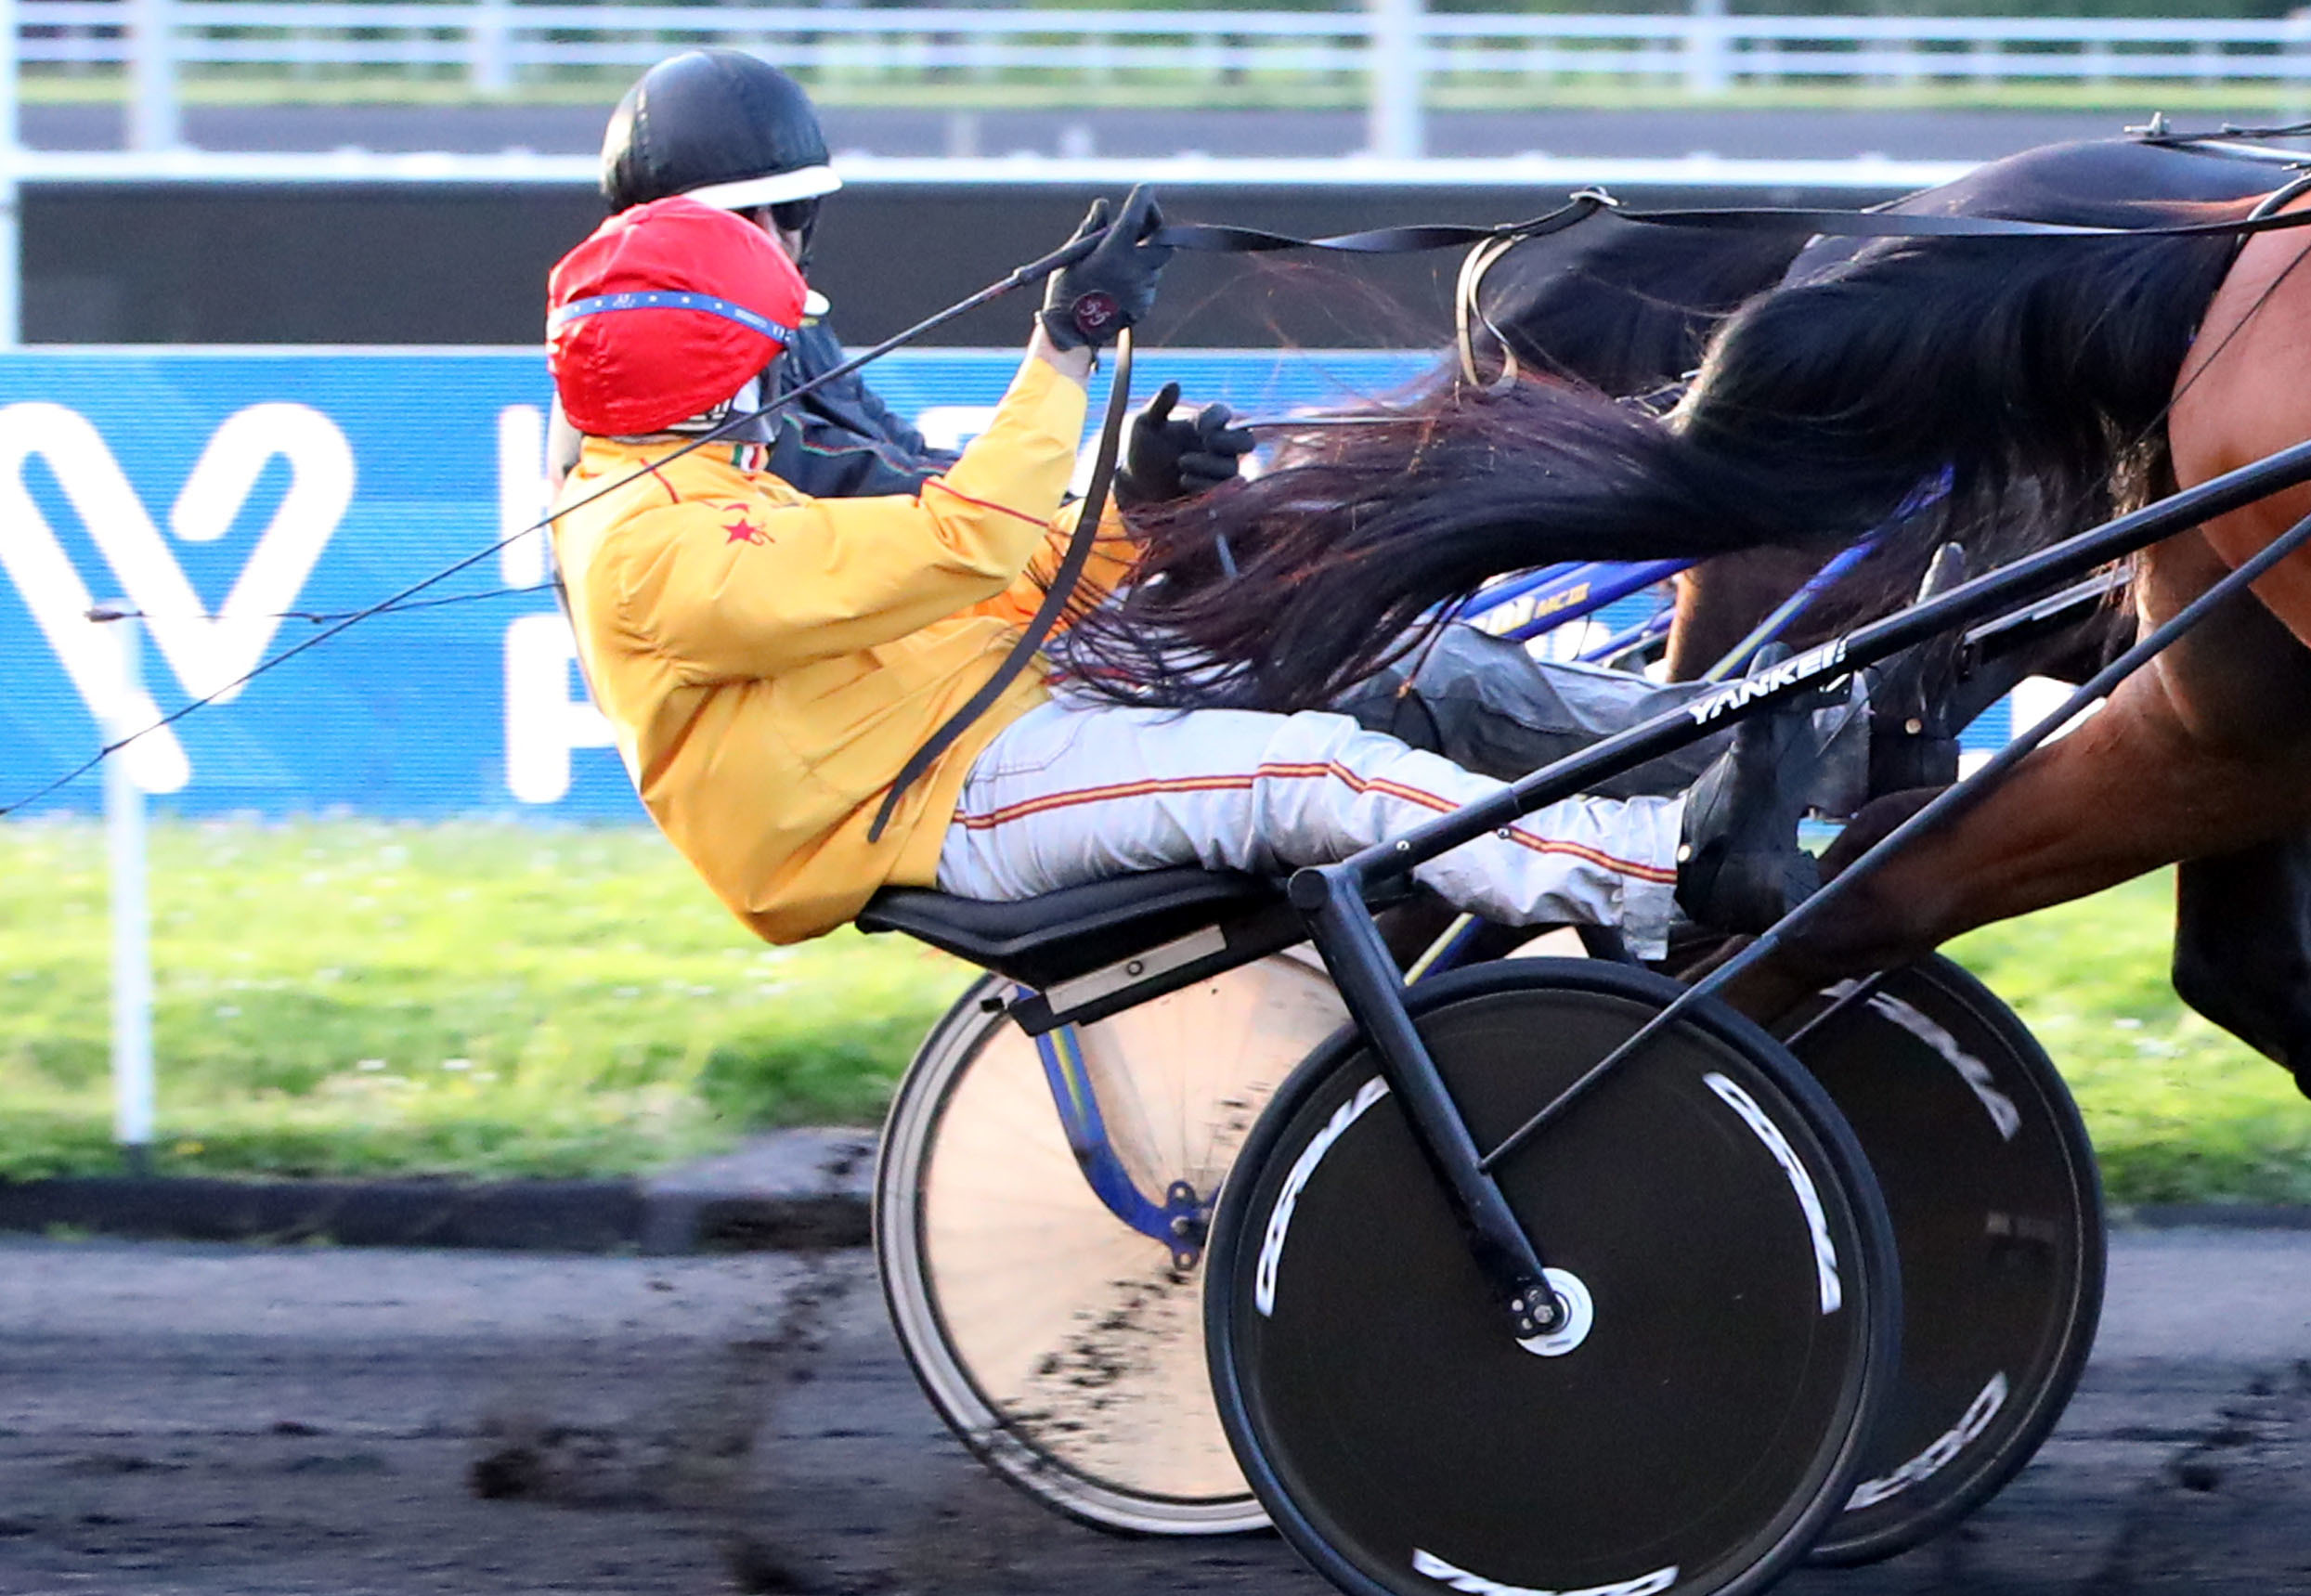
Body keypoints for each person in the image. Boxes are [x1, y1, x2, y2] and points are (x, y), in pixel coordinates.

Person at [548, 188, 1714, 953]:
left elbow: (989, 585)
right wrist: (1063, 348)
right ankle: (1655, 875)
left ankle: (1723, 745)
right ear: (721, 374)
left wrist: (1132, 504)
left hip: (989, 708)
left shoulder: (702, 493)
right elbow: (972, 537)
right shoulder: (653, 549)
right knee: (1315, 775)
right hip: (930, 803)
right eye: (771, 345)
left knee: (1371, 645)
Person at [595, 48, 941, 500]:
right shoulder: (646, 358)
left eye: (790, 209)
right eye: (736, 217)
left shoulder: (798, 327)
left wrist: (1046, 506)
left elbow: (896, 446)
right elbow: (828, 474)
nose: (771, 239)